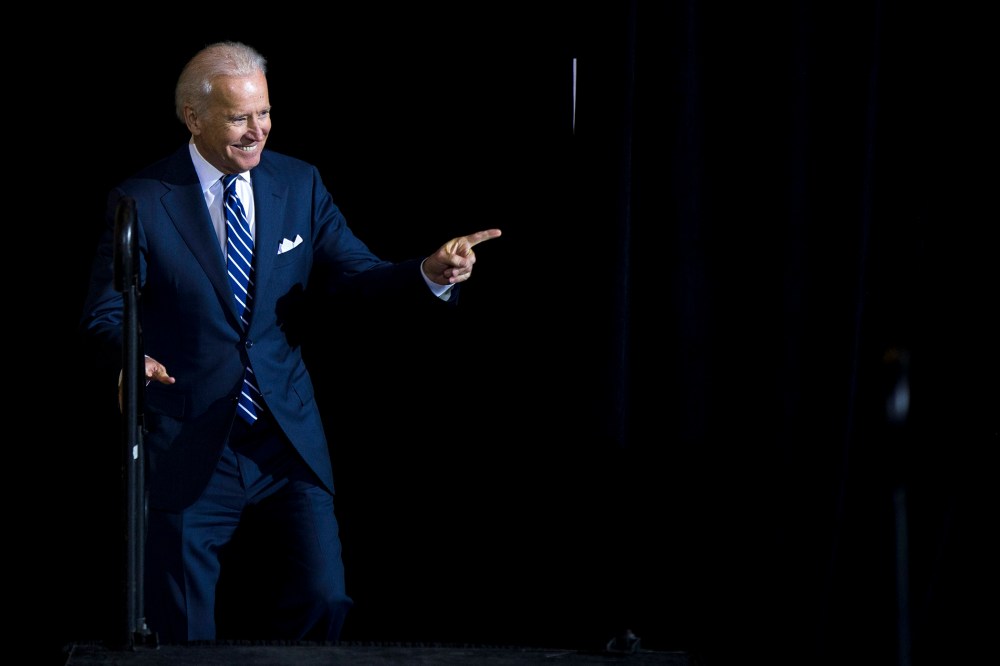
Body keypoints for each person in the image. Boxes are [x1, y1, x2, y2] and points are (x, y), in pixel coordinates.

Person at [80, 40, 501, 644]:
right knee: (180, 629)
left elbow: (357, 275)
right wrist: (129, 356)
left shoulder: (298, 184)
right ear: (193, 118)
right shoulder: (141, 200)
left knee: (324, 598)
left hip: (285, 441)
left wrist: (426, 273)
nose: (258, 131)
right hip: (190, 436)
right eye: (238, 117)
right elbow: (105, 311)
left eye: (265, 113)